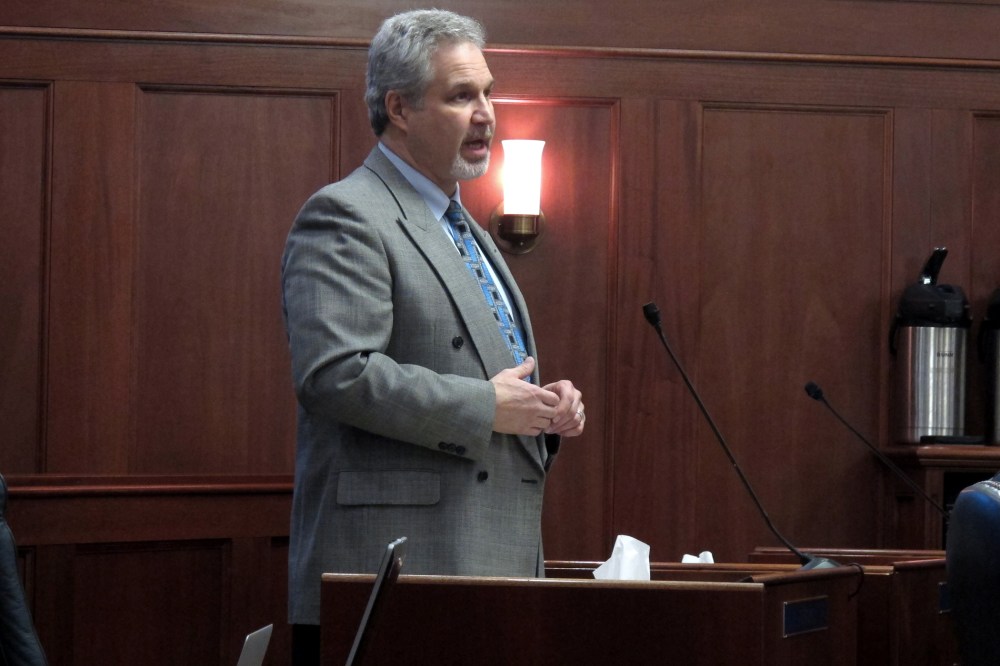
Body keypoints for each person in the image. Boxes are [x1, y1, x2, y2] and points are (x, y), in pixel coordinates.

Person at [280, 9, 585, 663]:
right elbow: (334, 374)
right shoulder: (346, 214)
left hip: (484, 565)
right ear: (400, 108)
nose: (486, 116)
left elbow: (489, 374)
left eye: (488, 94)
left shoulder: (466, 227)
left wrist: (543, 409)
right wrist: (485, 406)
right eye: (461, 96)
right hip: (397, 578)